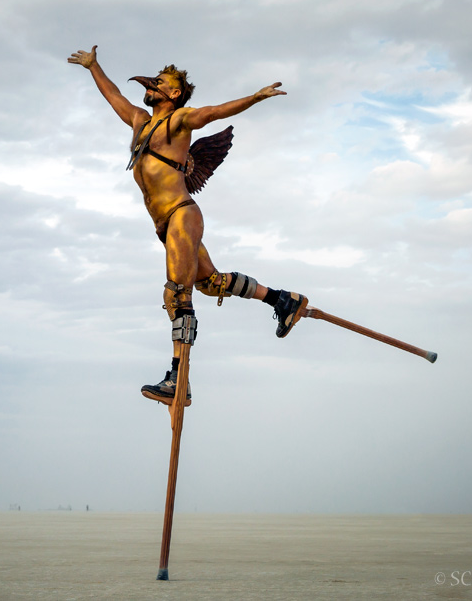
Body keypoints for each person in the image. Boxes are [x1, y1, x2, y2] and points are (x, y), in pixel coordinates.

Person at [68, 46, 308, 406]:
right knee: (210, 283)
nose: (151, 85)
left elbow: (212, 113)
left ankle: (179, 378)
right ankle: (283, 300)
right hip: (166, 224)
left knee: (176, 294)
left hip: (181, 214)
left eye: (160, 82)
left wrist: (255, 98)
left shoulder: (179, 121)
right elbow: (113, 94)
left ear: (174, 93)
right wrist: (94, 67)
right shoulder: (139, 121)